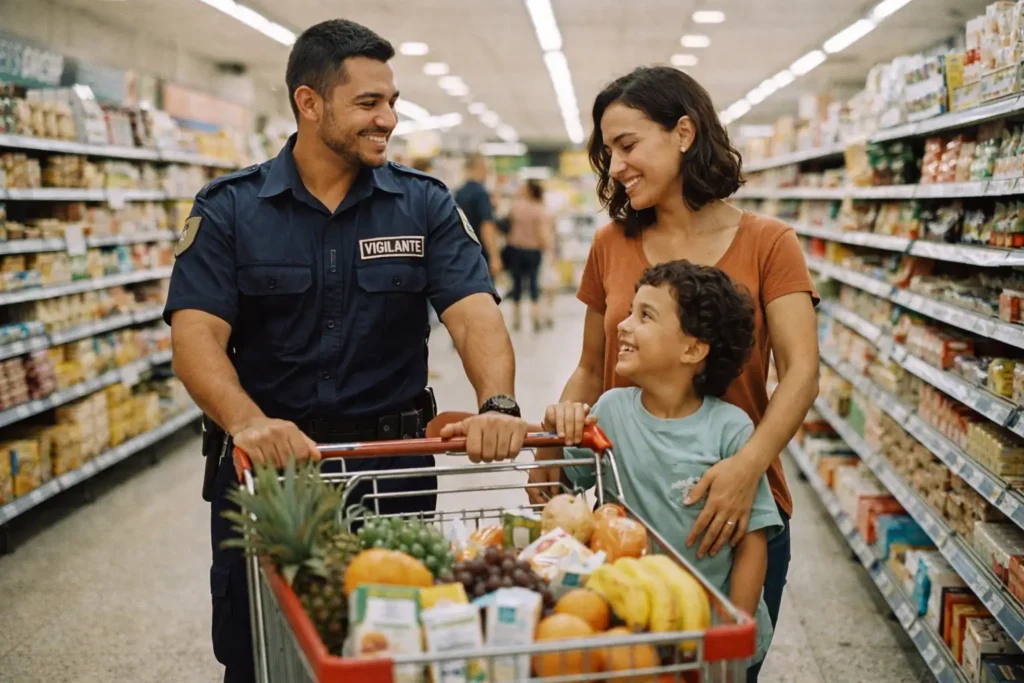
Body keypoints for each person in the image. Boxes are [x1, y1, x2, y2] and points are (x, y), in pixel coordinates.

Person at [164, 19, 528, 683]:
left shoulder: (422, 205)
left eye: (392, 102)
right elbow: (195, 335)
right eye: (369, 103)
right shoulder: (229, 209)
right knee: (260, 653)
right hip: (271, 477)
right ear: (310, 102)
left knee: (390, 651)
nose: (388, 118)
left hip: (390, 473)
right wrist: (246, 421)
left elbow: (474, 314)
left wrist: (497, 402)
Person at [528, 66, 819, 676]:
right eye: (607, 151)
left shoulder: (769, 242)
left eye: (628, 145)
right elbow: (589, 368)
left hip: (733, 514)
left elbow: (801, 373)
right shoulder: (611, 243)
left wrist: (746, 468)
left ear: (683, 132)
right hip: (625, 511)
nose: (616, 166)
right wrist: (551, 454)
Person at [536, 260, 783, 679]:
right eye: (629, 311)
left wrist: (733, 630)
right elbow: (550, 497)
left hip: (708, 629)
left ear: (692, 349)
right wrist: (555, 432)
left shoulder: (730, 428)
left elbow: (752, 542)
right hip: (628, 625)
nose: (623, 325)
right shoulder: (610, 410)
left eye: (644, 315)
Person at [505, 179, 553, 331]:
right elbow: (543, 234)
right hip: (534, 251)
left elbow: (508, 227)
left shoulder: (515, 208)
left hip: (516, 249)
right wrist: (549, 249)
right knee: (533, 284)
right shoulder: (540, 210)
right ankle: (535, 318)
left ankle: (516, 320)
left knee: (517, 285)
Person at [454, 154, 502, 279]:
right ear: (480, 168)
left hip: (462, 254)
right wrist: (494, 256)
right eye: (487, 170)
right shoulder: (481, 193)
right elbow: (486, 226)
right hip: (481, 255)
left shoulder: (458, 193)